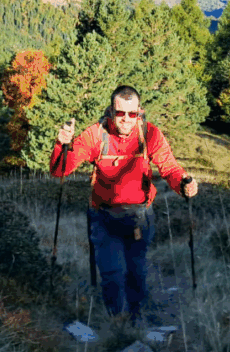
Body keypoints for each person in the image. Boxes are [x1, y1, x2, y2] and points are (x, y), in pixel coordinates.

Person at [50, 85, 198, 324]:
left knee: (136, 272)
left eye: (132, 114)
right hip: (103, 217)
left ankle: (136, 316)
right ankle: (115, 321)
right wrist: (61, 144)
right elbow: (60, 170)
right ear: (111, 111)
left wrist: (183, 184)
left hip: (140, 217)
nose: (127, 119)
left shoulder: (149, 134)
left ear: (139, 111)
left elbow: (169, 167)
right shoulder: (95, 135)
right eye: (120, 113)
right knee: (111, 273)